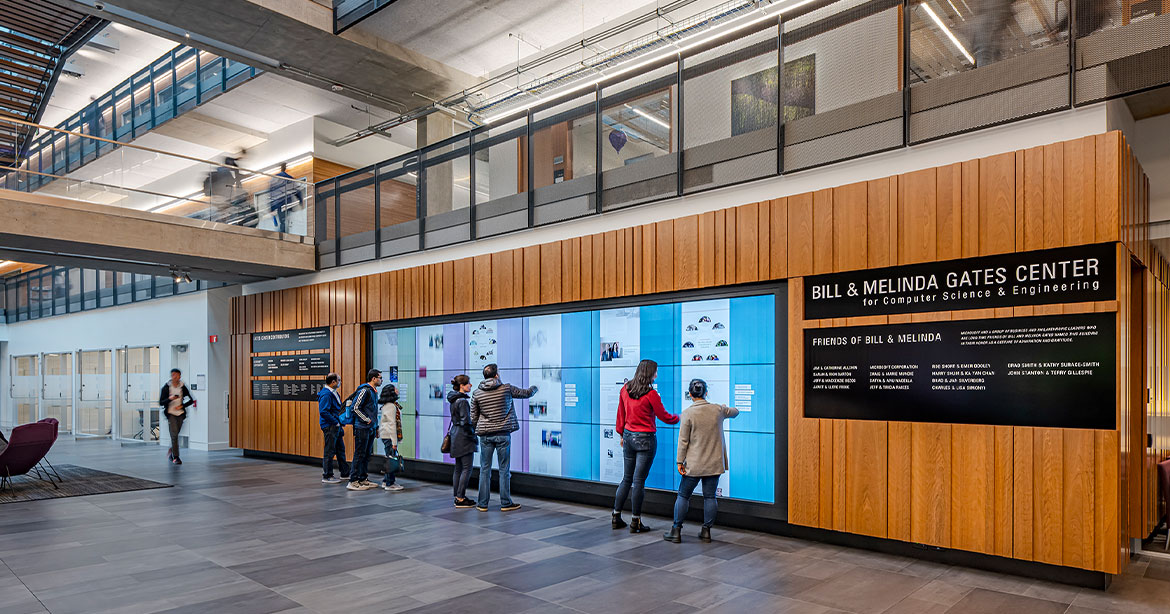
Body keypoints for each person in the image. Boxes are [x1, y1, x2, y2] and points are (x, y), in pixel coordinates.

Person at [664, 378, 739, 544]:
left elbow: (683, 441)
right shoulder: (718, 410)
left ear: (690, 394)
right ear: (706, 392)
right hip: (714, 463)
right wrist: (725, 407)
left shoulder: (688, 413)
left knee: (683, 495)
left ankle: (676, 531)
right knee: (710, 497)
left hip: (693, 464)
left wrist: (679, 462)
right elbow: (735, 412)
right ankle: (706, 532)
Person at [612, 359, 679, 533]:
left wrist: (621, 434)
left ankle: (615, 516)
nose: (657, 374)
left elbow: (621, 415)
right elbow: (664, 416)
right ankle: (636, 522)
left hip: (628, 437)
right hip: (646, 440)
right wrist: (679, 417)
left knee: (626, 479)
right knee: (638, 481)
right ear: (649, 373)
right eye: (656, 371)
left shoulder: (624, 389)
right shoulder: (651, 394)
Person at [470, 363, 536, 512]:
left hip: (485, 435)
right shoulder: (506, 388)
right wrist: (535, 388)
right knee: (504, 470)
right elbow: (526, 393)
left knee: (484, 470)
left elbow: (473, 417)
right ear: (496, 375)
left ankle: (482, 504)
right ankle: (505, 502)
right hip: (503, 435)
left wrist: (478, 429)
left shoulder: (477, 393)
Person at [347, 369, 382, 491]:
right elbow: (355, 408)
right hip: (362, 428)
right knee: (359, 454)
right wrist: (366, 420)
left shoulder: (374, 392)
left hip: (370, 428)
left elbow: (373, 411)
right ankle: (353, 480)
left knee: (366, 454)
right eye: (380, 378)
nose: (381, 380)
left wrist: (375, 427)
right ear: (373, 378)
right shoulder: (364, 390)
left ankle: (362, 478)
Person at [447, 374, 477, 508]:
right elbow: (466, 421)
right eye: (468, 383)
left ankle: (458, 496)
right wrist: (473, 435)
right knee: (467, 468)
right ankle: (460, 497)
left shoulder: (454, 400)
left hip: (455, 434)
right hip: (464, 436)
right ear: (461, 386)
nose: (470, 385)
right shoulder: (463, 401)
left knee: (458, 468)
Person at [157, 369, 194, 465]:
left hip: (180, 414)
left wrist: (182, 406)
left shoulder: (182, 387)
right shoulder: (166, 387)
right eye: (173, 375)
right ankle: (176, 457)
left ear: (180, 376)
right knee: (174, 435)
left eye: (177, 375)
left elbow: (191, 400)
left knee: (176, 435)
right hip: (171, 413)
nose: (175, 377)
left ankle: (172, 451)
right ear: (171, 376)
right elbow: (161, 402)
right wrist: (170, 399)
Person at [318, 373, 350, 483]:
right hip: (330, 426)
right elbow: (323, 411)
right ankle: (327, 475)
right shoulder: (326, 394)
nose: (340, 382)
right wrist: (335, 422)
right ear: (333, 382)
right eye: (339, 380)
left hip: (336, 426)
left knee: (340, 450)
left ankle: (345, 473)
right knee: (329, 451)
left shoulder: (334, 393)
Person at [377, 383, 405, 492]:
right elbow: (392, 424)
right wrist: (394, 442)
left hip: (387, 435)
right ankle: (390, 483)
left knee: (390, 458)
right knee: (391, 459)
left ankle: (386, 481)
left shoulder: (390, 405)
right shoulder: (391, 406)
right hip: (389, 436)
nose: (397, 390)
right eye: (395, 389)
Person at [268, 162, 302, 233]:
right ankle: (284, 232)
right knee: (286, 219)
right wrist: (300, 200)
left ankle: (282, 233)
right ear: (285, 168)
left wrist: (271, 207)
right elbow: (297, 190)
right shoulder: (289, 178)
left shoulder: (274, 179)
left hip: (278, 203)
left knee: (282, 220)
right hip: (287, 202)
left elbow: (271, 193)